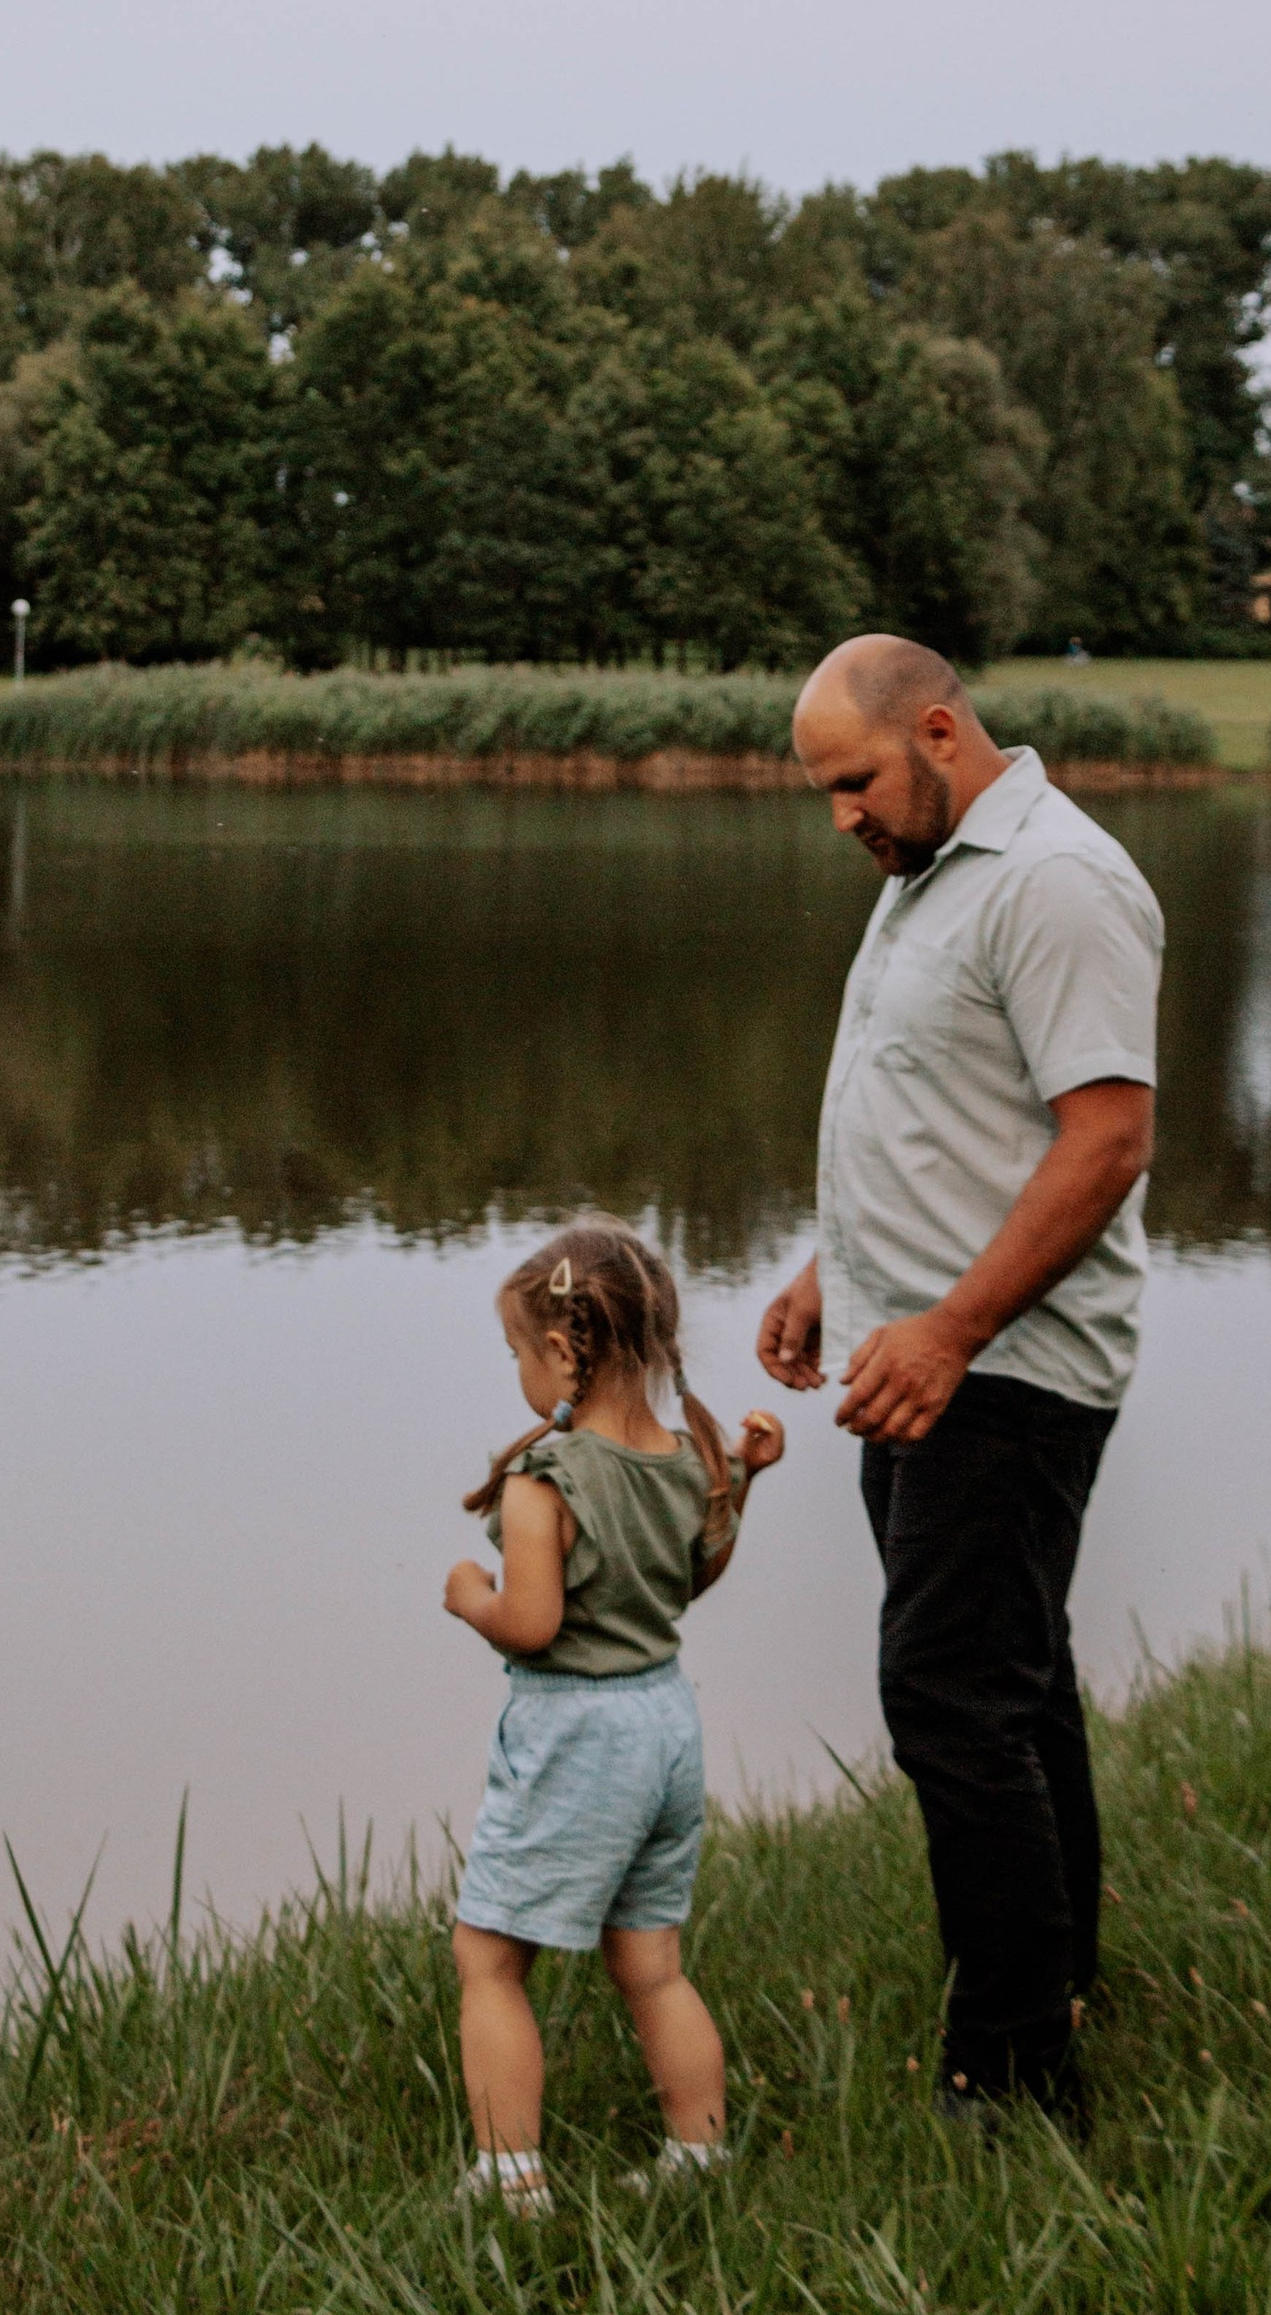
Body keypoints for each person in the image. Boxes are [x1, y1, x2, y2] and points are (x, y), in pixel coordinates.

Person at [757, 635, 1162, 2126]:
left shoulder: (1056, 881)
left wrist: (947, 1332)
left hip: (1008, 1363)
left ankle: (1013, 2076)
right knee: (1013, 1675)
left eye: (854, 780)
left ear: (938, 731)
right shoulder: (928, 875)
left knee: (949, 1697)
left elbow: (1105, 1141)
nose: (842, 816)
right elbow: (934, 1109)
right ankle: (1057, 1979)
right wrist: (835, 1273)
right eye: (824, 793)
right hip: (920, 1349)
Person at [442, 1215, 786, 2216]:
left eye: (517, 1351)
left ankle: (509, 2178)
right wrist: (745, 1483)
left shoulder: (540, 1482)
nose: (516, 1371)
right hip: (665, 1727)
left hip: (580, 1733)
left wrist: (471, 1596)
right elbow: (692, 1577)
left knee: (490, 1957)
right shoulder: (686, 1459)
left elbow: (534, 1623)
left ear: (559, 1351)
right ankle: (698, 2155)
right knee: (650, 1962)